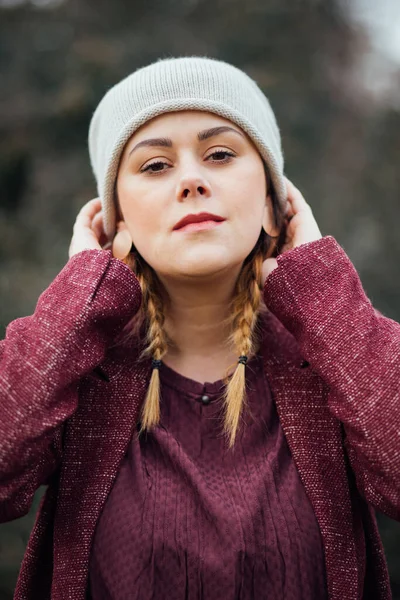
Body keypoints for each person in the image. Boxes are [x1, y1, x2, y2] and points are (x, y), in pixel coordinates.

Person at [0, 56, 398, 600]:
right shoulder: (77, 372)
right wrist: (78, 302)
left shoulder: (335, 361)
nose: (191, 180)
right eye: (155, 165)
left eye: (220, 154)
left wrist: (322, 292)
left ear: (274, 202)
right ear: (113, 218)